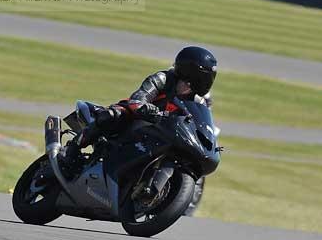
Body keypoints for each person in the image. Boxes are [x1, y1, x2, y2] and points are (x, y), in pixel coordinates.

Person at [60, 46, 217, 176]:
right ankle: (72, 149)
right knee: (112, 115)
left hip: (164, 132)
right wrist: (144, 107)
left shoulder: (198, 102)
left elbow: (200, 125)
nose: (187, 88)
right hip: (137, 117)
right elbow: (138, 98)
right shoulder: (163, 78)